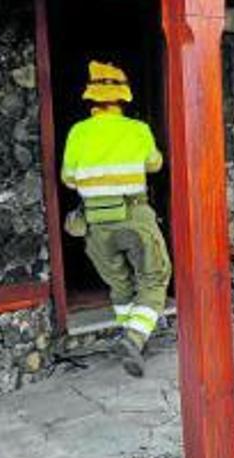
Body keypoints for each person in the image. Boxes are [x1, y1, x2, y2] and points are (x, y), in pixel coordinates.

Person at [61, 61, 172, 378]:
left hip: (96, 221)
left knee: (119, 283)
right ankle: (135, 338)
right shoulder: (137, 130)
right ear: (122, 97)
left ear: (91, 98)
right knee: (154, 277)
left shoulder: (78, 132)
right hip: (134, 215)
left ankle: (129, 336)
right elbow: (154, 164)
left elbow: (69, 178)